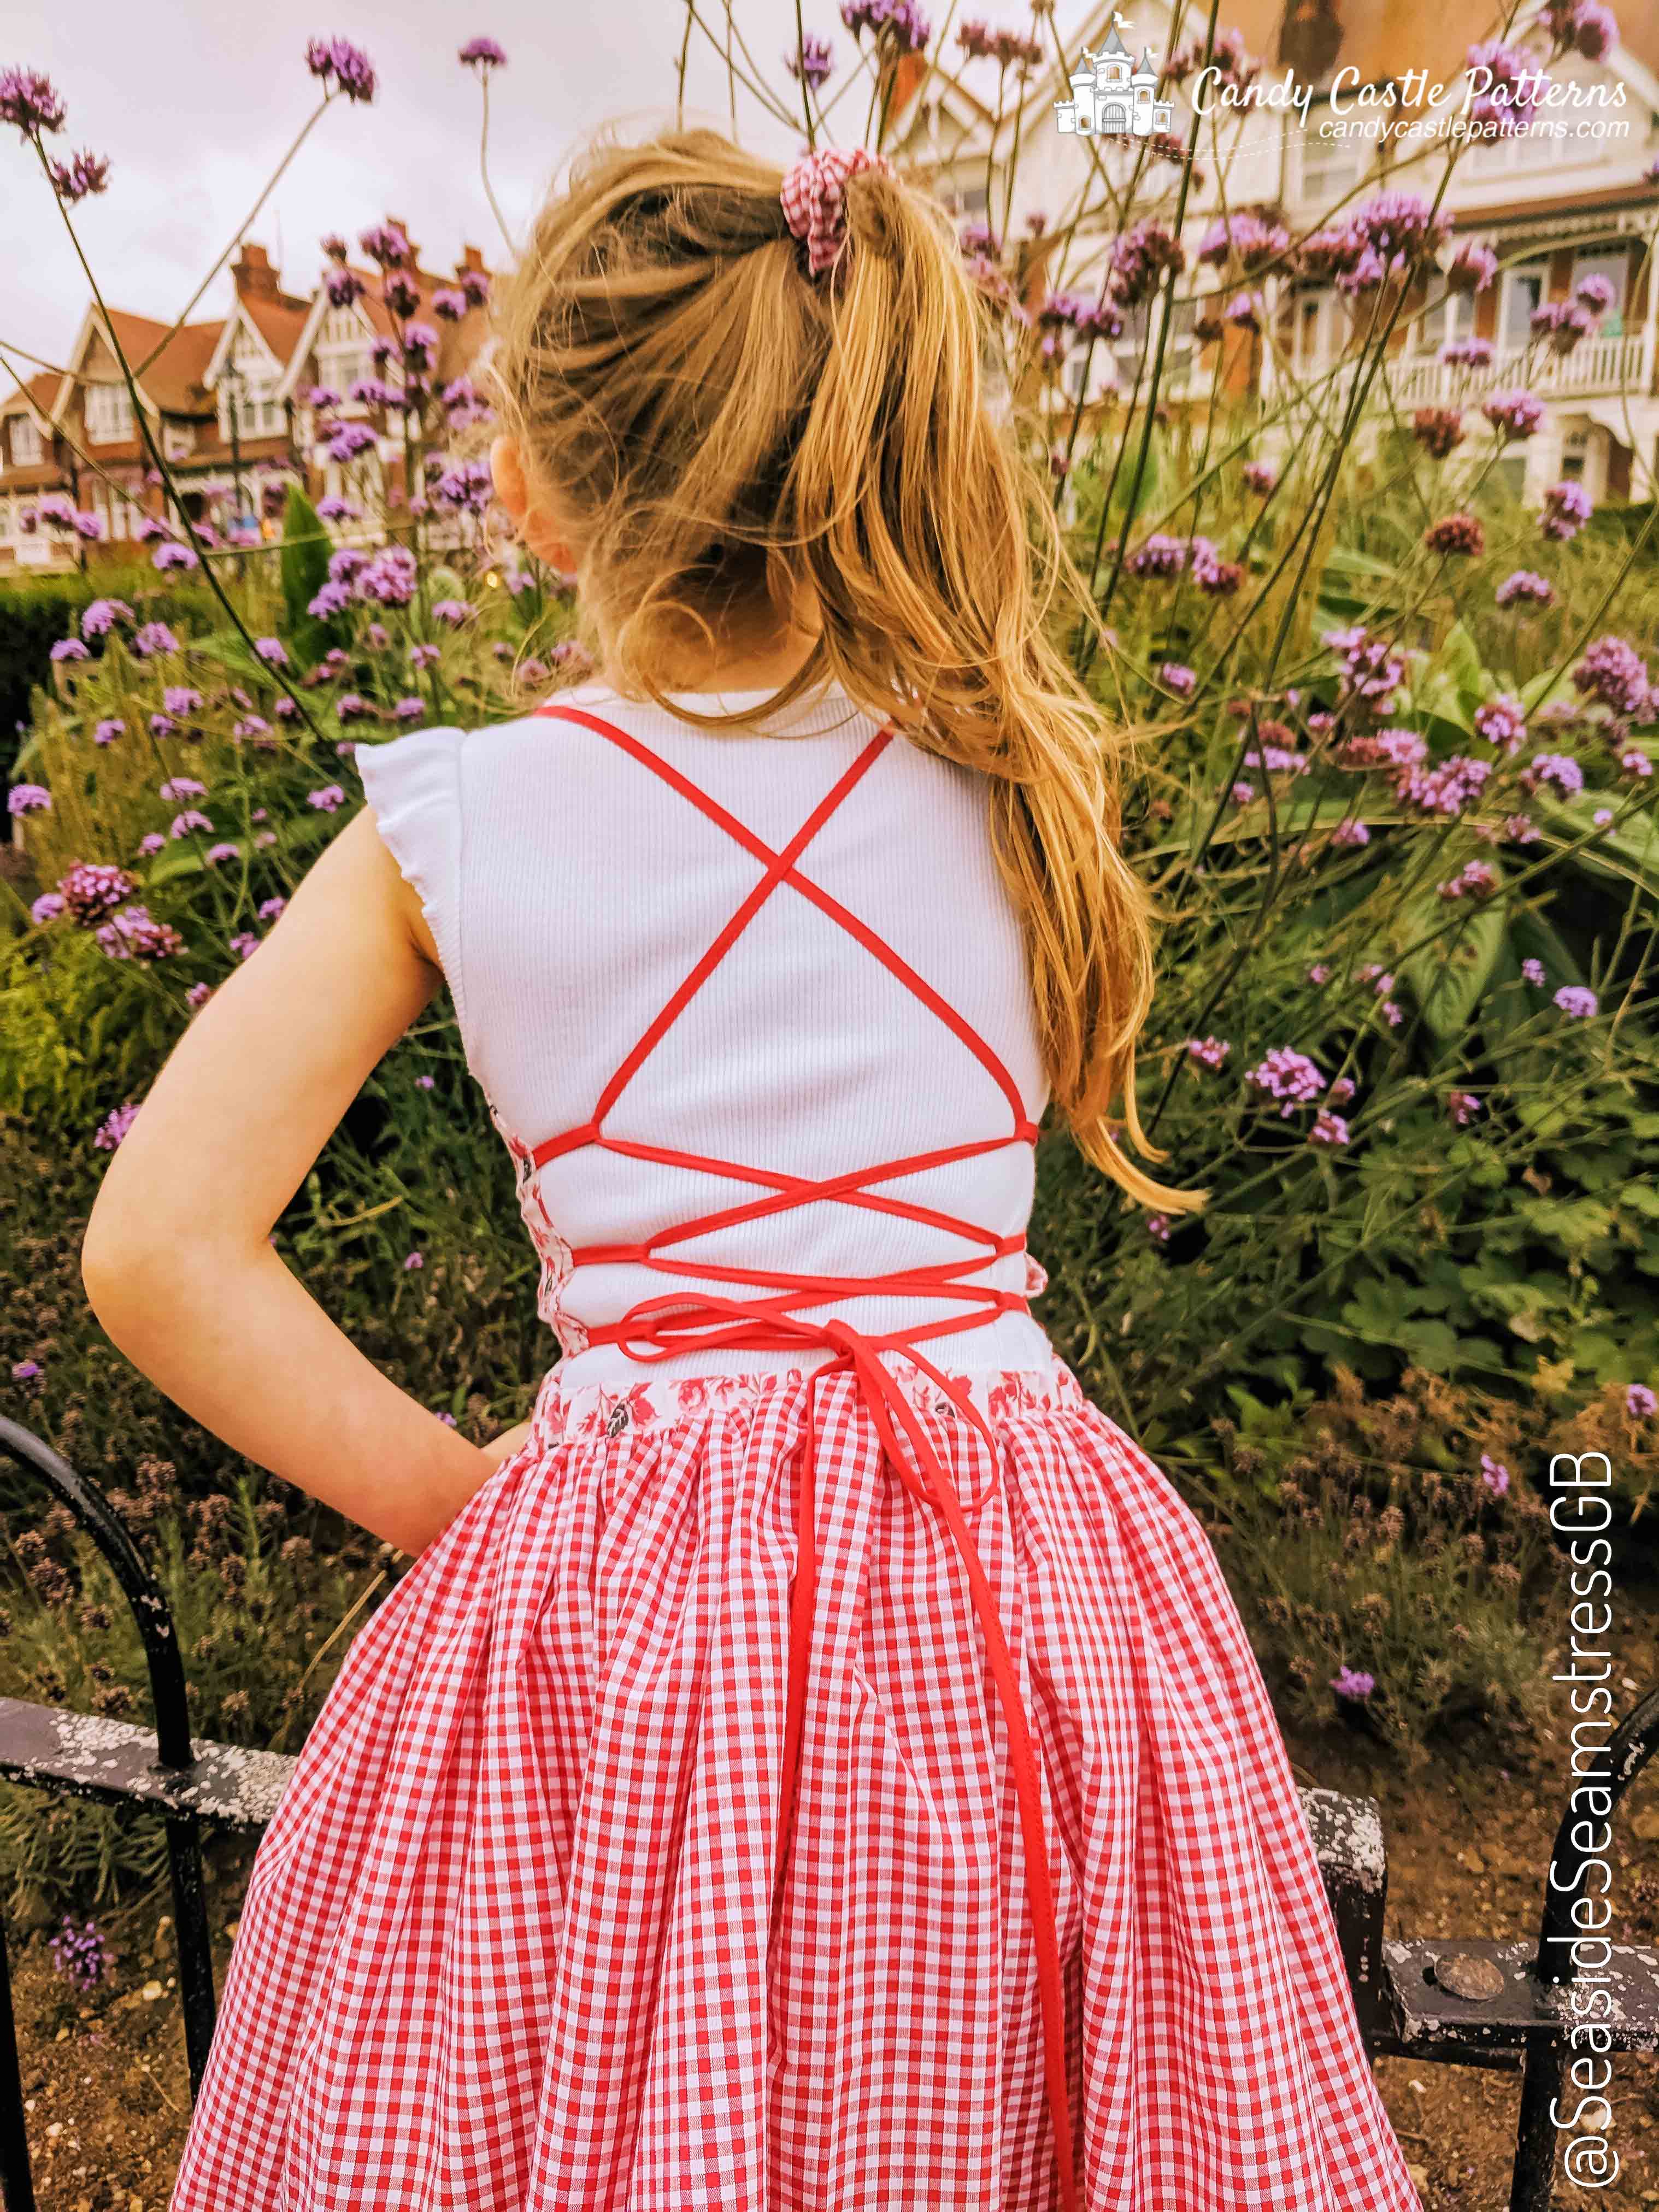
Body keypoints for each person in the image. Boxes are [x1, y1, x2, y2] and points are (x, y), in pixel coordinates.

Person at [85, 128, 1422, 2211]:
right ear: (858, 434)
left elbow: (161, 1244)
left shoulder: (461, 823)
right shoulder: (1021, 779)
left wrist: (469, 1509)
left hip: (628, 1615)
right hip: (1019, 1589)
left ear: (528, 485)